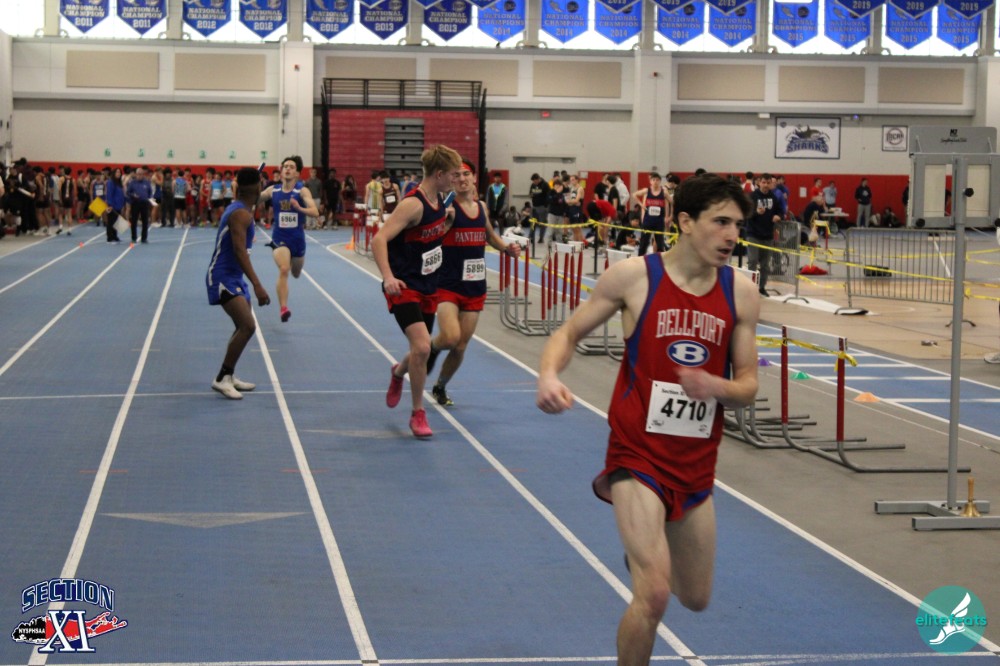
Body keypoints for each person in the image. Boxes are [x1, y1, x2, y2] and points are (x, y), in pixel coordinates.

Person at [536, 173, 759, 666]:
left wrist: (715, 386)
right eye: (721, 222)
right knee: (654, 596)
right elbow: (568, 333)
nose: (731, 236)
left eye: (737, 225)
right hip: (636, 456)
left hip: (695, 463)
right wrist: (549, 375)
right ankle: (646, 567)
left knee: (695, 597)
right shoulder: (634, 278)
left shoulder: (741, 293)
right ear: (686, 222)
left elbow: (747, 385)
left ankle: (643, 556)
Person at [372, 144, 463, 439]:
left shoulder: (441, 202)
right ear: (439, 174)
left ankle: (398, 372)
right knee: (423, 347)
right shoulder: (413, 204)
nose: (457, 179)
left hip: (428, 285)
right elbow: (379, 239)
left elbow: (428, 238)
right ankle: (417, 413)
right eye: (453, 174)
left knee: (418, 349)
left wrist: (446, 224)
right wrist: (388, 277)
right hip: (403, 285)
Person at [425, 159, 520, 406]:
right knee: (450, 337)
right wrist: (445, 223)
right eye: (456, 175)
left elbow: (489, 235)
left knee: (460, 346)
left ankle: (440, 386)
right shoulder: (446, 207)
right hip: (448, 283)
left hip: (474, 286)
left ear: (474, 178)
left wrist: (506, 248)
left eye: (466, 174)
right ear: (451, 180)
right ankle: (433, 347)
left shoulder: (481, 207)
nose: (462, 179)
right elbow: (431, 238)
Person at [206, 167, 271, 400]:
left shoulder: (242, 209)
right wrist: (257, 284)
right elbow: (239, 251)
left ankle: (229, 374)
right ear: (256, 187)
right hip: (223, 276)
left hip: (234, 277)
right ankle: (222, 378)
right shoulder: (240, 214)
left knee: (241, 327)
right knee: (247, 326)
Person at [260, 155, 319, 323]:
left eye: (291, 167)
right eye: (285, 166)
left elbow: (315, 212)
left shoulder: (302, 191)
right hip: (280, 238)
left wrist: (299, 208)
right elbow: (254, 199)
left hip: (297, 239)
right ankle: (283, 308)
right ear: (281, 171)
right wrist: (248, 187)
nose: (287, 169)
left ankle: (294, 265)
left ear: (297, 173)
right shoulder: (273, 190)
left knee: (296, 273)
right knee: (284, 269)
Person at [746, 173, 784, 296]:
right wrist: (756, 212)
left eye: (768, 183)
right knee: (752, 261)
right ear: (759, 182)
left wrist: (778, 216)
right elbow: (747, 213)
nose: (766, 185)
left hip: (768, 235)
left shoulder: (773, 197)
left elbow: (781, 211)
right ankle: (750, 287)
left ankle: (761, 287)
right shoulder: (752, 196)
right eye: (763, 182)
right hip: (753, 234)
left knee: (765, 265)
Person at [632, 172, 669, 256]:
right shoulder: (647, 191)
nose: (655, 181)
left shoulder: (664, 192)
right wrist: (641, 206)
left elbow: (669, 203)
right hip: (648, 220)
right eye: (653, 180)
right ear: (650, 181)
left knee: (660, 242)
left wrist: (668, 216)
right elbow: (635, 195)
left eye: (657, 180)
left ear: (660, 181)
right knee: (644, 242)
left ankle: (659, 259)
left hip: (659, 221)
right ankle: (640, 258)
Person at [125, 166, 153, 243]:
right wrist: (133, 195)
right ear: (136, 174)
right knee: (134, 221)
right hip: (135, 203)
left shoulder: (147, 182)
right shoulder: (132, 182)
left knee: (145, 221)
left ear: (143, 174)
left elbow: (150, 192)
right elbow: (128, 192)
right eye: (138, 174)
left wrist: (150, 198)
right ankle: (134, 237)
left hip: (145, 203)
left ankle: (144, 238)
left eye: (141, 174)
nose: (140, 175)